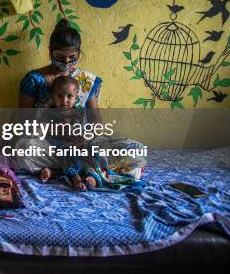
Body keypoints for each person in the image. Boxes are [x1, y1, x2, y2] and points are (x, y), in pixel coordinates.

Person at [19, 18, 146, 182]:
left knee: (136, 149)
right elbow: (23, 125)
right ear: (50, 51)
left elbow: (97, 124)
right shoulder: (33, 80)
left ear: (79, 53)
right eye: (60, 56)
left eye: (72, 57)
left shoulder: (85, 80)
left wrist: (84, 137)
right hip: (51, 146)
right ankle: (88, 168)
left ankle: (62, 169)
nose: (66, 62)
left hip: (84, 145)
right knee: (24, 149)